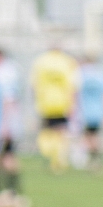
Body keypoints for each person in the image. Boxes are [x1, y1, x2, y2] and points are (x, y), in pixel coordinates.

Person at [0, 46, 28, 207]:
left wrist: (3, 126)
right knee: (8, 158)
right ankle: (14, 195)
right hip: (8, 125)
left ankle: (4, 195)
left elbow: (8, 100)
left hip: (3, 126)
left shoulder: (4, 73)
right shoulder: (8, 71)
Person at [30, 40, 80, 174]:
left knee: (47, 131)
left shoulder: (41, 61)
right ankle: (58, 160)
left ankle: (50, 154)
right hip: (62, 103)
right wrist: (73, 104)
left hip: (45, 103)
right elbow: (73, 86)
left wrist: (36, 101)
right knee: (61, 132)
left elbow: (34, 85)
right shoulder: (68, 61)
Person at [76, 52, 103, 170]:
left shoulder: (80, 73)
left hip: (83, 112)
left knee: (88, 137)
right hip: (98, 112)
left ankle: (92, 161)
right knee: (93, 136)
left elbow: (74, 93)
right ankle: (94, 161)